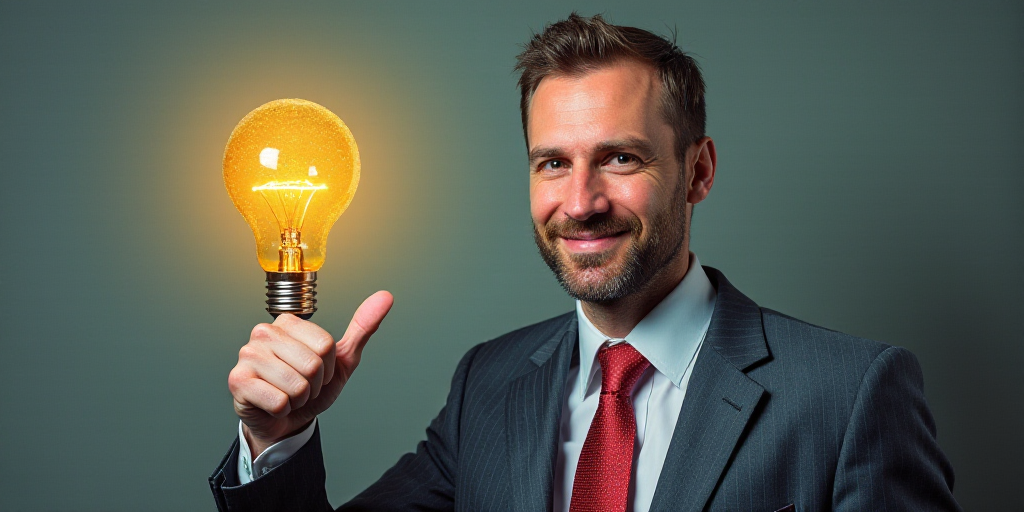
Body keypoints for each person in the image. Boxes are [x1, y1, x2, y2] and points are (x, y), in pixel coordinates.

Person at [210, 13, 960, 512]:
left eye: (621, 158)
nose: (580, 201)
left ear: (698, 171)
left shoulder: (849, 394)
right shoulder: (490, 386)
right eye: (551, 163)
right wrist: (279, 443)